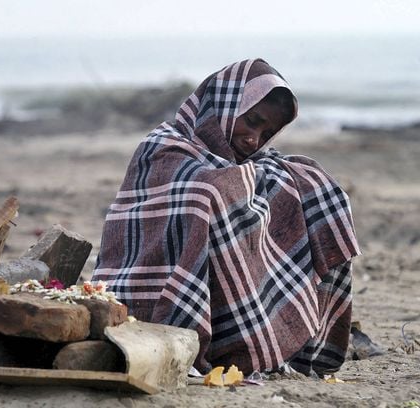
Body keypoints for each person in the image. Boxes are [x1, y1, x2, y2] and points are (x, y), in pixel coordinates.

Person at [91, 59, 360, 377]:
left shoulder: (252, 165)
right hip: (141, 302)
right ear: (224, 104)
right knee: (213, 196)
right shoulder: (162, 147)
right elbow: (204, 192)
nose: (254, 139)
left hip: (223, 318)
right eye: (252, 120)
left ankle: (260, 342)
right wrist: (230, 188)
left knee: (318, 196)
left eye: (267, 132)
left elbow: (248, 185)